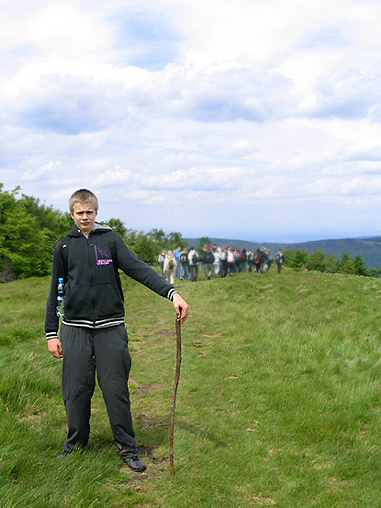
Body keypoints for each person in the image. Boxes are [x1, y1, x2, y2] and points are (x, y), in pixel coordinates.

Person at [45, 189, 189, 473]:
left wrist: (172, 294)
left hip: (111, 328)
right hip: (75, 330)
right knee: (75, 391)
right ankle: (75, 446)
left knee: (115, 390)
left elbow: (138, 269)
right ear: (72, 215)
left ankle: (128, 449)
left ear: (96, 212)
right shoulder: (63, 247)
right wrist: (52, 333)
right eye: (79, 213)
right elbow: (55, 291)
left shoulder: (110, 240)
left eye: (89, 212)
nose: (84, 217)